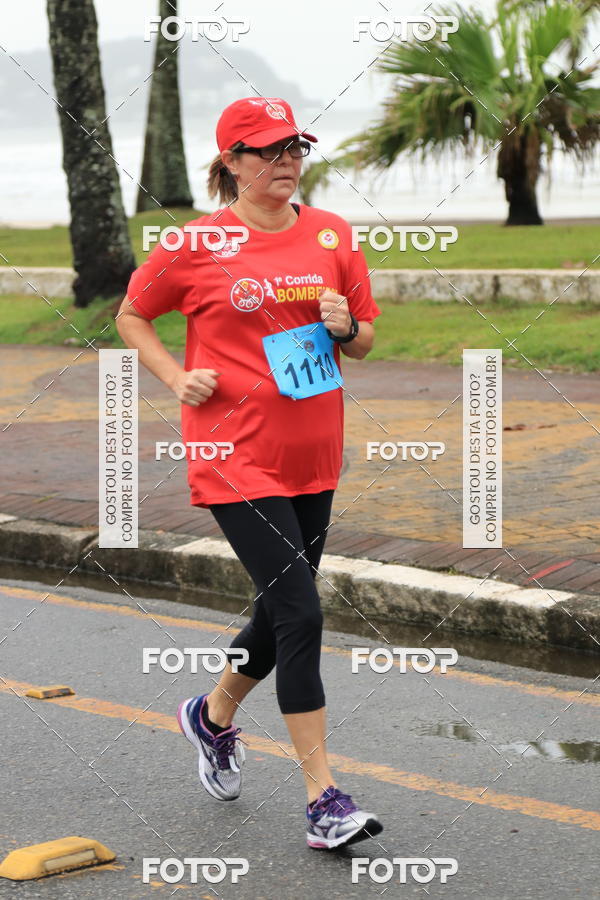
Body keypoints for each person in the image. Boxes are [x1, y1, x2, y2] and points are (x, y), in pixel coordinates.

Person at [116, 96, 383, 850]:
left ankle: (211, 716)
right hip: (232, 454)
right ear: (231, 161)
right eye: (266, 150)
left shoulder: (332, 233)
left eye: (294, 146)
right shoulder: (196, 243)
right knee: (301, 613)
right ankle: (323, 799)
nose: (286, 161)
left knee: (277, 608)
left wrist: (344, 327)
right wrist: (175, 377)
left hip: (313, 452)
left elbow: (363, 342)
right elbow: (133, 313)